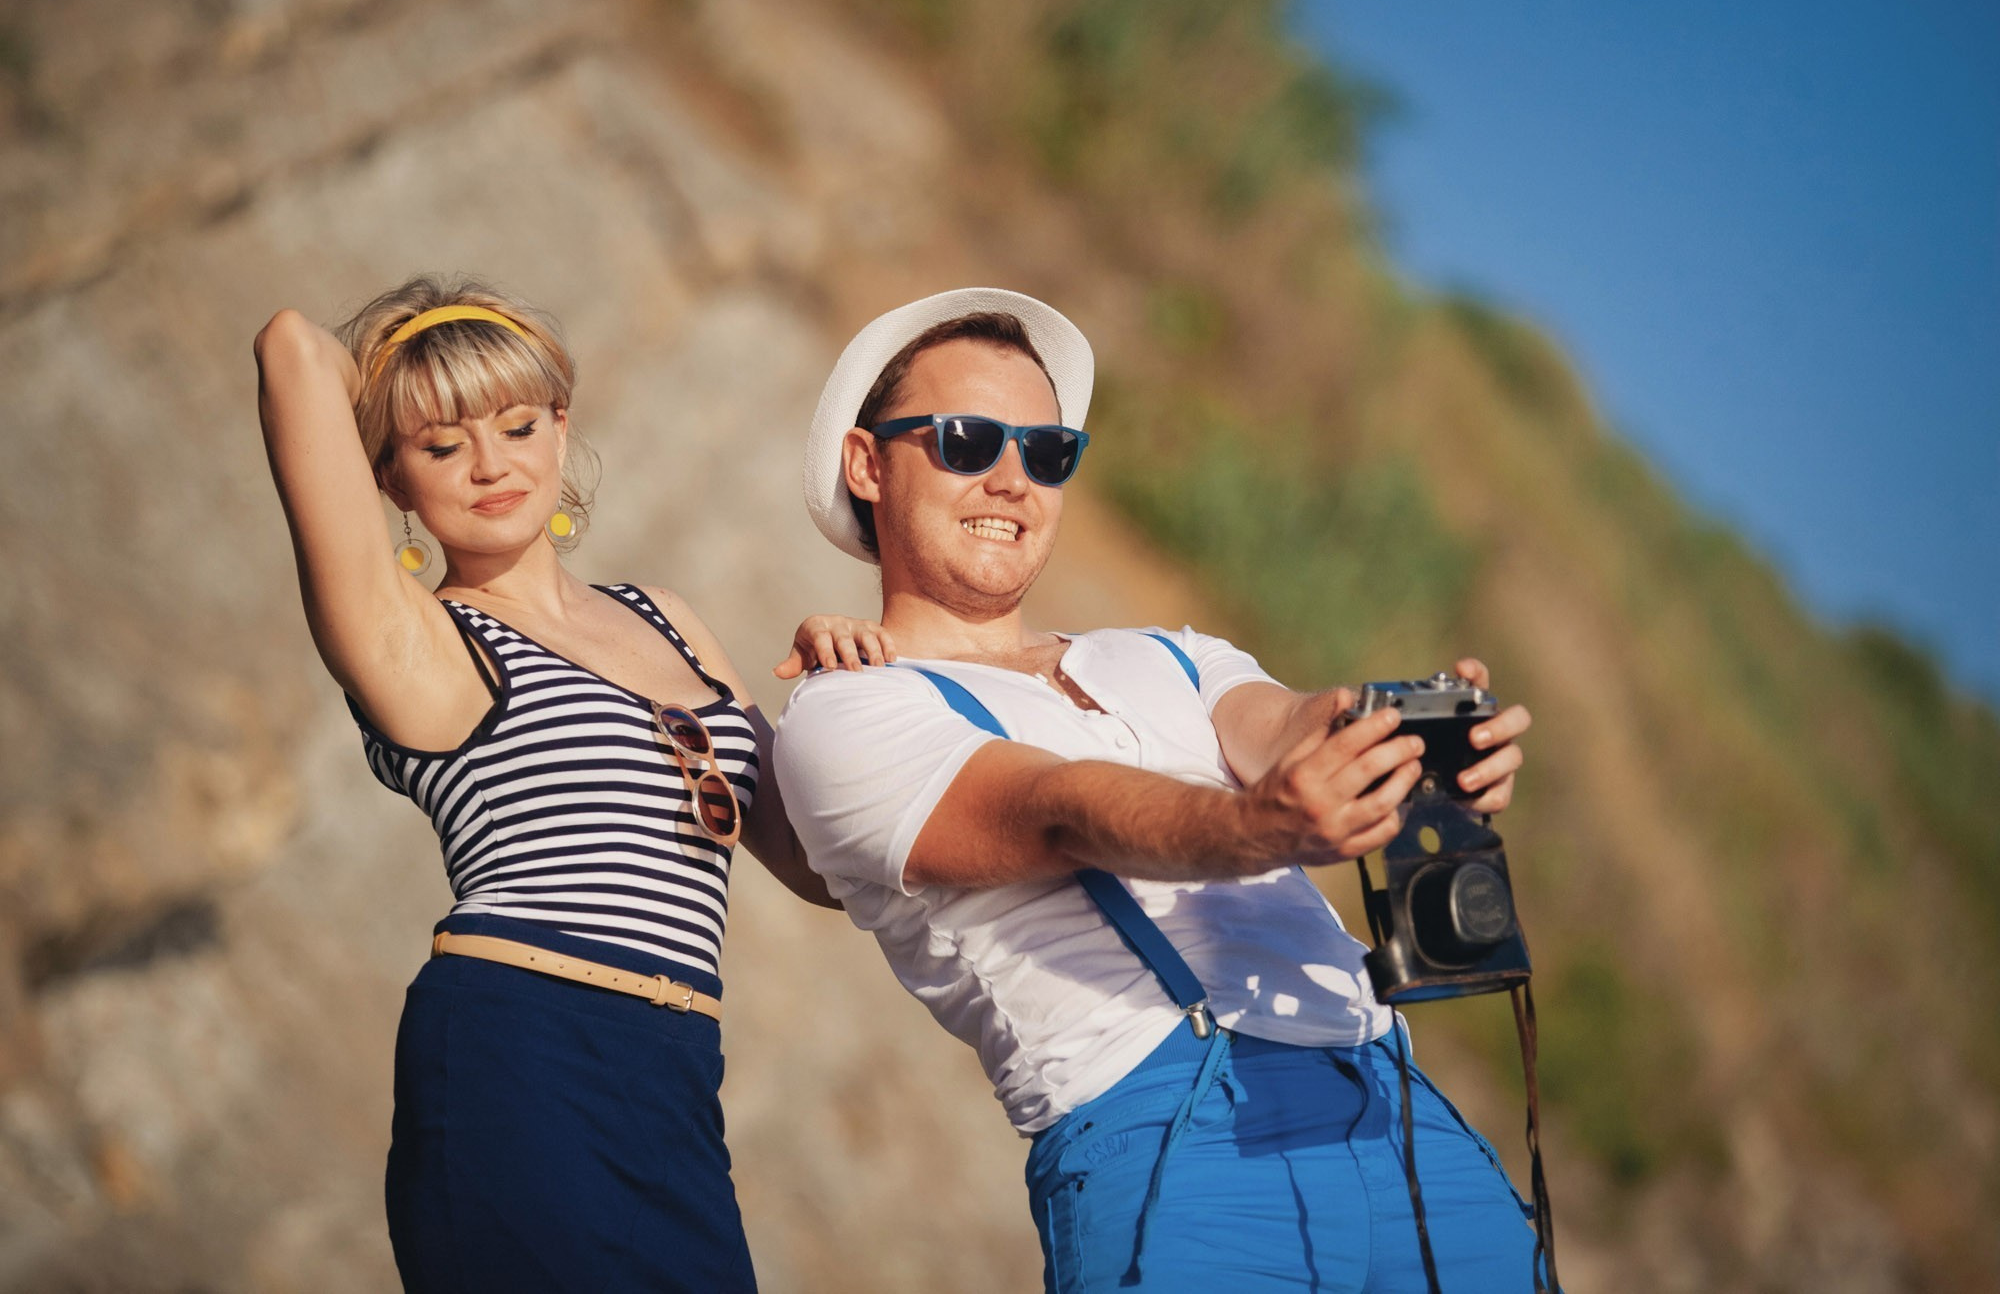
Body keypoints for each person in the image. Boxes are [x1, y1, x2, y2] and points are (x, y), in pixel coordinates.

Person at [773, 289, 1543, 1292]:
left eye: (1045, 453)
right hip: (1172, 1143)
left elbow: (1287, 723)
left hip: (1397, 1111)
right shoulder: (846, 714)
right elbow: (1057, 807)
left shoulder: (1171, 654)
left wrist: (1410, 733)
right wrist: (1252, 826)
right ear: (869, 463)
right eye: (967, 441)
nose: (1011, 480)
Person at [255, 275, 892, 1293]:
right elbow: (293, 346)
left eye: (515, 424)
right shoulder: (415, 639)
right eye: (440, 444)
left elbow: (819, 867)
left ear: (562, 427)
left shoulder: (665, 615)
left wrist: (859, 695)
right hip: (519, 1045)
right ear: (390, 476)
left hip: (674, 1067)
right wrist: (405, 367)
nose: (489, 464)